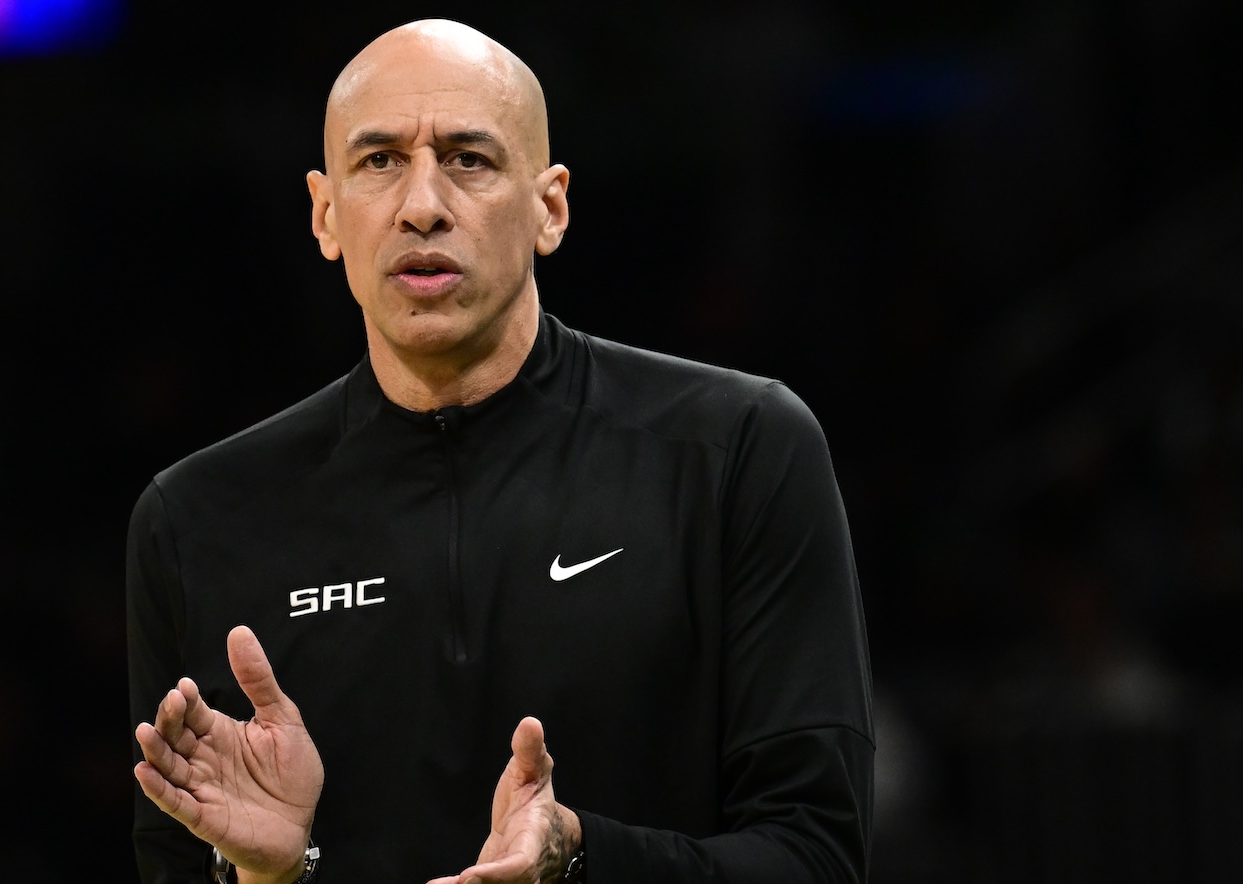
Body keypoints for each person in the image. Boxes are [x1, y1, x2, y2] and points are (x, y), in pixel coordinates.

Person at [128, 17, 874, 884]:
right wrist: (270, 877)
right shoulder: (198, 519)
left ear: (549, 207)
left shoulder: (737, 451)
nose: (422, 205)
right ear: (325, 215)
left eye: (468, 159)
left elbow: (817, 856)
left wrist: (580, 858)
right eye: (378, 162)